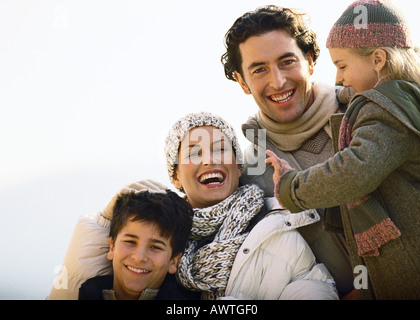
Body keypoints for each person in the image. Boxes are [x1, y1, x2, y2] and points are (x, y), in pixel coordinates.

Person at [266, 0, 420, 299]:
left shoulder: (386, 109)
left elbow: (353, 173)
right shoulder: (409, 98)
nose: (338, 78)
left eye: (342, 65)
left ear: (378, 59)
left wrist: (290, 187)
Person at [221, 5, 355, 298]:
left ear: (309, 61)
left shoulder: (366, 116)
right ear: (242, 81)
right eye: (259, 69)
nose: (278, 81)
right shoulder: (249, 168)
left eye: (287, 61)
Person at [165, 111, 338, 300]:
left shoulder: (276, 227)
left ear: (239, 166)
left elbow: (313, 288)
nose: (209, 160)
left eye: (220, 149)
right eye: (194, 153)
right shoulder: (161, 237)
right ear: (175, 177)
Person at [47, 182, 196, 300]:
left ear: (173, 261)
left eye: (155, 247)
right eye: (130, 242)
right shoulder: (80, 294)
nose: (139, 257)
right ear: (111, 247)